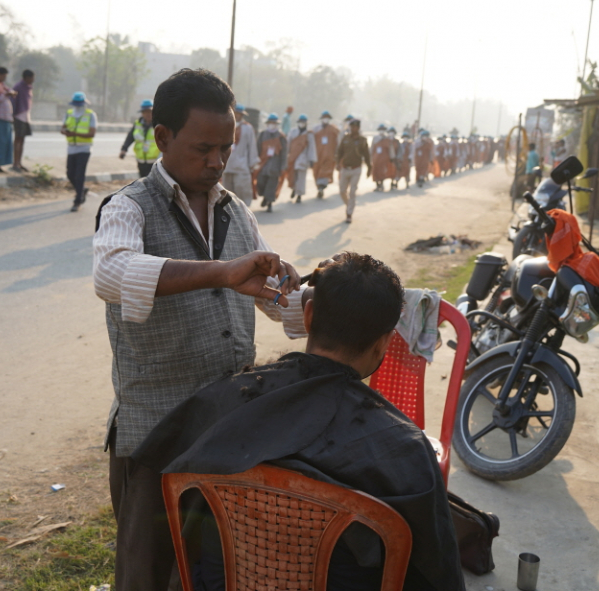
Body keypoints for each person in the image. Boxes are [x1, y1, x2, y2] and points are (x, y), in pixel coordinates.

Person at [133, 252, 463, 591]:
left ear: (307, 316)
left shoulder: (221, 402)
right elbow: (437, 571)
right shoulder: (404, 447)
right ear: (383, 344)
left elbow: (157, 493)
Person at [92, 68, 305, 591]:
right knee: (148, 571)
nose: (216, 162)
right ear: (162, 138)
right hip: (156, 437)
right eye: (203, 148)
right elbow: (112, 274)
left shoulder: (236, 213)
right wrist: (221, 272)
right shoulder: (128, 208)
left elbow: (278, 304)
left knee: (212, 567)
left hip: (225, 433)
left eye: (226, 149)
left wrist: (314, 300)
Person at [61, 91, 97, 212]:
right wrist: (64, 131)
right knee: (70, 173)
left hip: (84, 148)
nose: (78, 106)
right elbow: (63, 127)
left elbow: (92, 133)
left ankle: (77, 201)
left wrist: (75, 133)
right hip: (71, 147)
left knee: (79, 174)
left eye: (80, 104)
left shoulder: (90, 115)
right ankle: (81, 190)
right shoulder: (69, 113)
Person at [336, 118, 371, 223]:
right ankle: (349, 205)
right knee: (342, 191)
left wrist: (370, 167)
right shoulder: (345, 139)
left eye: (355, 127)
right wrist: (337, 163)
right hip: (345, 168)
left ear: (358, 128)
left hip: (356, 169)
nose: (353, 129)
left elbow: (367, 155)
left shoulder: (362, 141)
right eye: (351, 127)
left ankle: (349, 214)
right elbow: (339, 152)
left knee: (352, 192)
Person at [222, 103, 258, 204]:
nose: (237, 115)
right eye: (236, 113)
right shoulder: (225, 125)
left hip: (241, 165)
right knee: (227, 193)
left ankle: (244, 214)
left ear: (242, 115)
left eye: (239, 114)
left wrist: (252, 163)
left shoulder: (248, 128)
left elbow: (252, 146)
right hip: (227, 165)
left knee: (242, 191)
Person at [255, 112, 287, 213]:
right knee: (260, 183)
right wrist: (255, 163)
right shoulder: (262, 134)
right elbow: (257, 149)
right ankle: (265, 197)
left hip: (275, 166)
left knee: (271, 186)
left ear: (277, 124)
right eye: (270, 122)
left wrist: (283, 167)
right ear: (267, 123)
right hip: (262, 165)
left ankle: (269, 203)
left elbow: (284, 154)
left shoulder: (281, 137)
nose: (272, 124)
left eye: (274, 123)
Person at [120, 99, 160, 178]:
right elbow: (130, 137)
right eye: (145, 112)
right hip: (141, 160)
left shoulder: (158, 125)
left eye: (149, 111)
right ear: (142, 113)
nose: (148, 114)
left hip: (155, 161)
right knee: (143, 182)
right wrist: (124, 149)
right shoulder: (137, 124)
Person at [285, 113, 317, 203]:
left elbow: (312, 147)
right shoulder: (292, 132)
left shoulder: (309, 134)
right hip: (292, 158)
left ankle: (299, 195)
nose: (301, 123)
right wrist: (285, 156)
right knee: (292, 176)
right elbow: (288, 145)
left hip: (303, 158)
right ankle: (294, 189)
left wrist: (311, 159)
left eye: (303, 122)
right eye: (300, 122)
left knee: (301, 178)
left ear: (306, 123)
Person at [312, 111, 340, 199]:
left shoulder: (334, 129)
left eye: (327, 118)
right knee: (316, 172)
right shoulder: (316, 129)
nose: (325, 119)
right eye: (324, 117)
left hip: (329, 155)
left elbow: (338, 142)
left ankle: (321, 187)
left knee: (325, 172)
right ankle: (319, 187)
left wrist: (337, 153)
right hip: (317, 155)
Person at [11, 69, 35, 173]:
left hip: (26, 115)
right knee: (18, 139)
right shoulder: (18, 87)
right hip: (19, 115)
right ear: (26, 78)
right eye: (32, 77)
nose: (33, 80)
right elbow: (13, 101)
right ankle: (15, 163)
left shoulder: (28, 88)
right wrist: (13, 115)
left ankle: (19, 163)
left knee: (22, 140)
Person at [371, 123, 395, 192]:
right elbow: (372, 148)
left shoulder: (387, 139)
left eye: (383, 130)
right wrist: (370, 157)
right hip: (376, 158)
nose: (382, 131)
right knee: (375, 171)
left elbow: (391, 149)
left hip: (384, 159)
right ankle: (377, 184)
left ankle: (381, 184)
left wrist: (392, 157)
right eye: (380, 130)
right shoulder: (375, 138)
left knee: (382, 172)